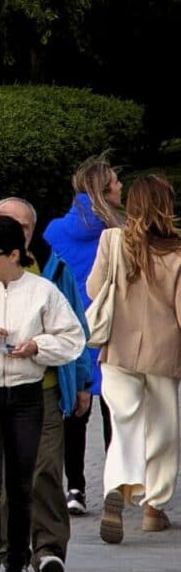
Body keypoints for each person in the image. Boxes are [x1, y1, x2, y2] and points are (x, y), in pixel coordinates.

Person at [0, 196, 91, 572]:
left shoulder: (45, 285)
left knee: (34, 476)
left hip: (33, 390)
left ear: (15, 250)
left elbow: (75, 336)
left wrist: (39, 348)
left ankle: (37, 556)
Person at [86, 172, 181, 547]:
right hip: (164, 349)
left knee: (124, 422)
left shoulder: (111, 240)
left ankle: (117, 487)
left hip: (118, 348)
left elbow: (94, 289)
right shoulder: (176, 251)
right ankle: (153, 507)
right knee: (163, 428)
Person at [44, 154, 124, 513]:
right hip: (112, 328)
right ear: (105, 191)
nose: (122, 186)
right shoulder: (119, 232)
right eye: (117, 183)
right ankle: (114, 485)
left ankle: (74, 489)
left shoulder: (54, 231)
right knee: (115, 411)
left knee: (75, 411)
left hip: (70, 329)